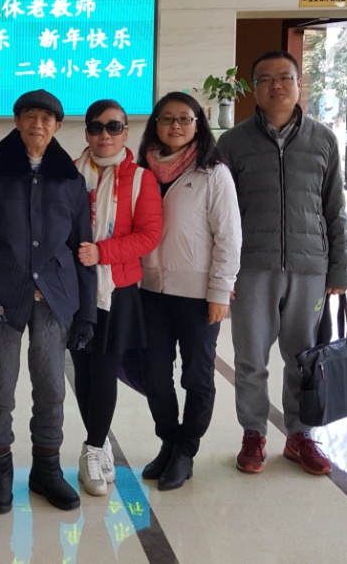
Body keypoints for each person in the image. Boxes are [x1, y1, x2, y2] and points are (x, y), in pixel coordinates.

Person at [0, 89, 96, 513]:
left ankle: (46, 470)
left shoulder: (71, 180)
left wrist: (87, 314)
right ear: (17, 121)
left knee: (51, 387)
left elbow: (82, 248)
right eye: (30, 116)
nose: (38, 124)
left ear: (57, 126)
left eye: (47, 119)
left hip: (54, 299)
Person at [217, 50, 347, 476]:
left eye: (284, 77)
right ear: (254, 89)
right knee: (250, 359)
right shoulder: (232, 143)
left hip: (309, 268)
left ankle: (300, 435)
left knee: (303, 357)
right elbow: (219, 214)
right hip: (251, 267)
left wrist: (341, 268)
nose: (276, 85)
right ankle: (253, 433)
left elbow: (335, 208)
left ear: (298, 84)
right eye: (265, 79)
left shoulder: (323, 140)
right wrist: (222, 274)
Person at [136, 91, 241, 490]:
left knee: (196, 375)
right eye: (167, 118)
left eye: (185, 118)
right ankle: (169, 440)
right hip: (150, 290)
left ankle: (186, 450)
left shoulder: (213, 173)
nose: (175, 125)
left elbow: (228, 237)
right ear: (155, 125)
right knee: (155, 375)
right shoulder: (141, 171)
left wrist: (220, 291)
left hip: (198, 295)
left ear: (198, 125)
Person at [70, 99, 162, 496]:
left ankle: (92, 449)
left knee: (105, 369)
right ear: (87, 133)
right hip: (75, 289)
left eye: (113, 127)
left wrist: (102, 252)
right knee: (82, 369)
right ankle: (100, 441)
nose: (104, 135)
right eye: (96, 127)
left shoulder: (141, 179)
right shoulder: (70, 174)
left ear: (126, 133)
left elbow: (149, 235)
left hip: (115, 290)